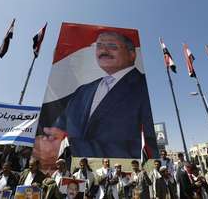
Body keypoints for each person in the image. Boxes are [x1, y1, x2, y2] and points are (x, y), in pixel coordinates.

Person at [35, 31, 158, 160]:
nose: (103, 50)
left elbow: (146, 147)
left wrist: (65, 148)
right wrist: (50, 141)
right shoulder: (83, 90)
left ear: (132, 55)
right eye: (99, 45)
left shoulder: (144, 87)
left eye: (112, 46)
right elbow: (60, 127)